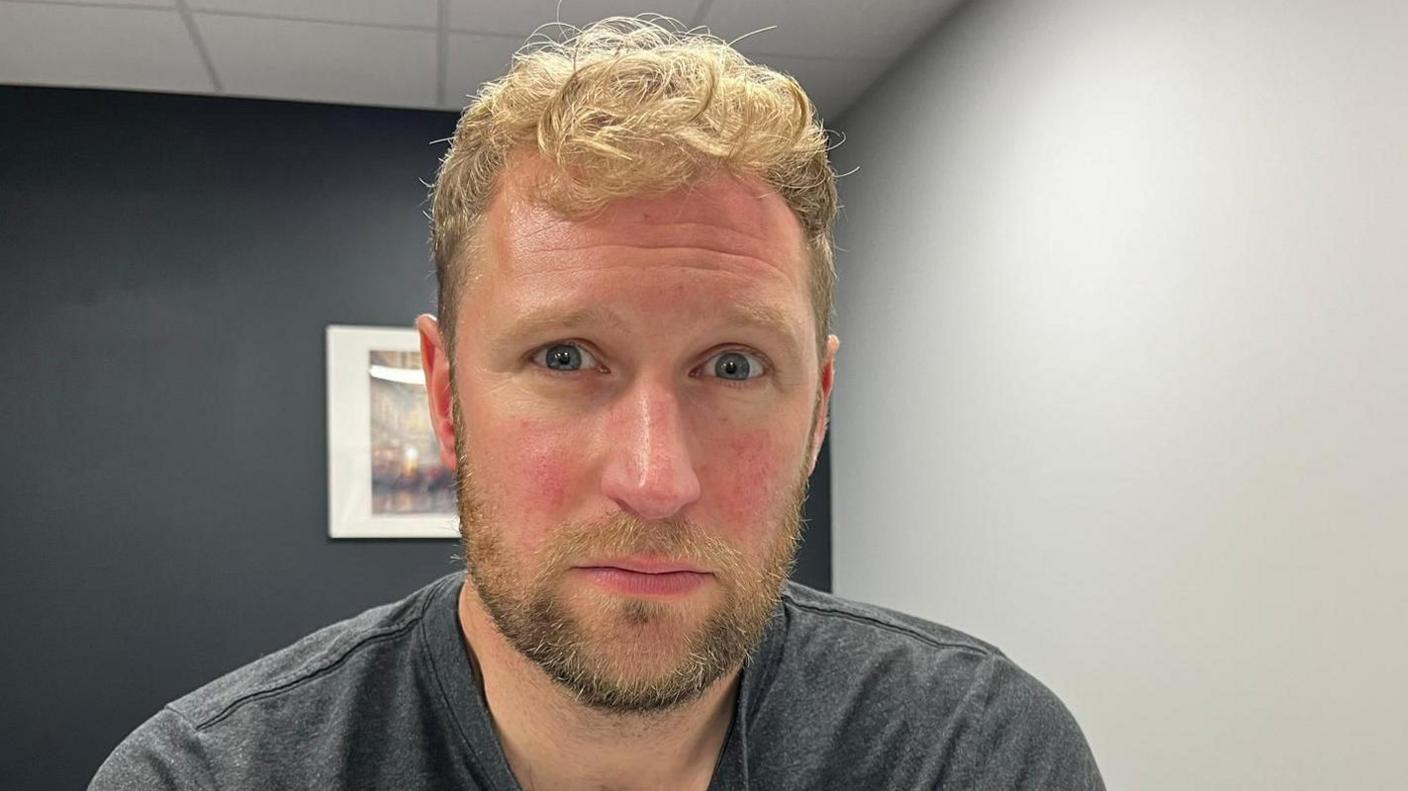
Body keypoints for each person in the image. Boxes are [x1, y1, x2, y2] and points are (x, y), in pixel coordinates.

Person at [91, 17, 1103, 791]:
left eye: (735, 365)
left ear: (818, 409)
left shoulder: (969, 752)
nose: (655, 480)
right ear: (444, 396)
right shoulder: (214, 774)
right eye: (566, 355)